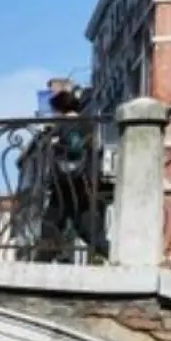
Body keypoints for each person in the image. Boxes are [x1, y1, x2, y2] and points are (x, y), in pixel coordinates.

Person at [40, 86, 110, 262]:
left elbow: (73, 148)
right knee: (87, 228)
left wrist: (55, 144)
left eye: (54, 111)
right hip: (83, 181)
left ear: (59, 110)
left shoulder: (69, 125)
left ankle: (43, 261)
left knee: (52, 223)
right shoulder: (86, 124)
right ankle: (115, 255)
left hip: (67, 182)